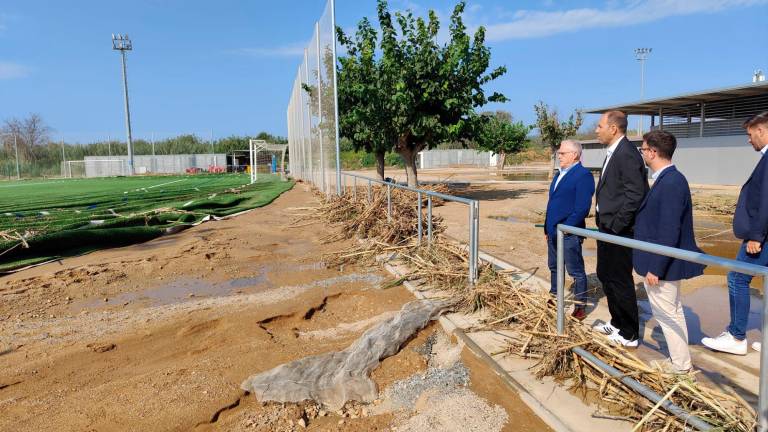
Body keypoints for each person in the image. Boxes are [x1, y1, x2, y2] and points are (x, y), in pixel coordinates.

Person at [634, 130, 705, 372]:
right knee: (671, 311)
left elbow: (669, 230)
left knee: (668, 314)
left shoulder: (673, 182)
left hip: (663, 266)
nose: (642, 153)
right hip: (662, 262)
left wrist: (656, 267)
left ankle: (681, 365)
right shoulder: (667, 179)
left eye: (643, 149)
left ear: (653, 152)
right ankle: (680, 361)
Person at [702, 111, 768, 355]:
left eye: (750, 135)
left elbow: (766, 201)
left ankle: (736, 336)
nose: (749, 140)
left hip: (761, 236)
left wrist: (756, 236)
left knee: (738, 278)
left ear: (761, 131)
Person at [592, 111, 649, 347]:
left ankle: (629, 333)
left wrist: (616, 225)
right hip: (606, 227)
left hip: (619, 230)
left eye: (599, 125)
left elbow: (635, 195)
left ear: (613, 128)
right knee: (606, 275)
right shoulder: (614, 152)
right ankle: (617, 322)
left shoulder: (626, 154)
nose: (596, 129)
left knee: (620, 279)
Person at [544, 140, 595, 321]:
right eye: (559, 153)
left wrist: (566, 228)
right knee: (554, 266)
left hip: (568, 232)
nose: (559, 156)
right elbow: (552, 203)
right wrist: (547, 227)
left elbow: (582, 208)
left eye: (562, 153)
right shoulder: (559, 174)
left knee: (575, 271)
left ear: (575, 155)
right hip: (553, 230)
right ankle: (554, 296)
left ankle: (580, 305)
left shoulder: (583, 175)